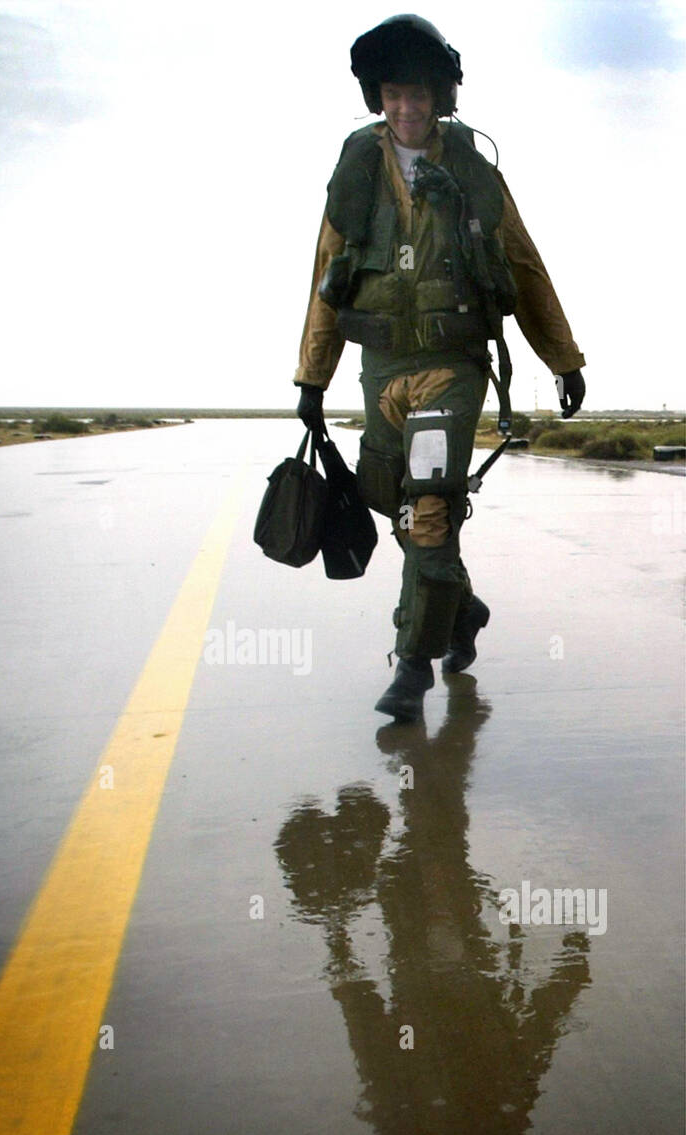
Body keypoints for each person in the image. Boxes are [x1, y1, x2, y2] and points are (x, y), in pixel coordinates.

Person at [294, 14, 586, 721]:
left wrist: (563, 358)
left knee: (428, 509)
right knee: (394, 504)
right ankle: (461, 612)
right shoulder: (357, 170)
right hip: (380, 367)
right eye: (394, 95)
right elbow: (326, 275)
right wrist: (312, 378)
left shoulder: (473, 172)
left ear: (441, 97)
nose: (407, 109)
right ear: (377, 96)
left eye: (419, 95)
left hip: (453, 367)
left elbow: (523, 261)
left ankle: (413, 666)